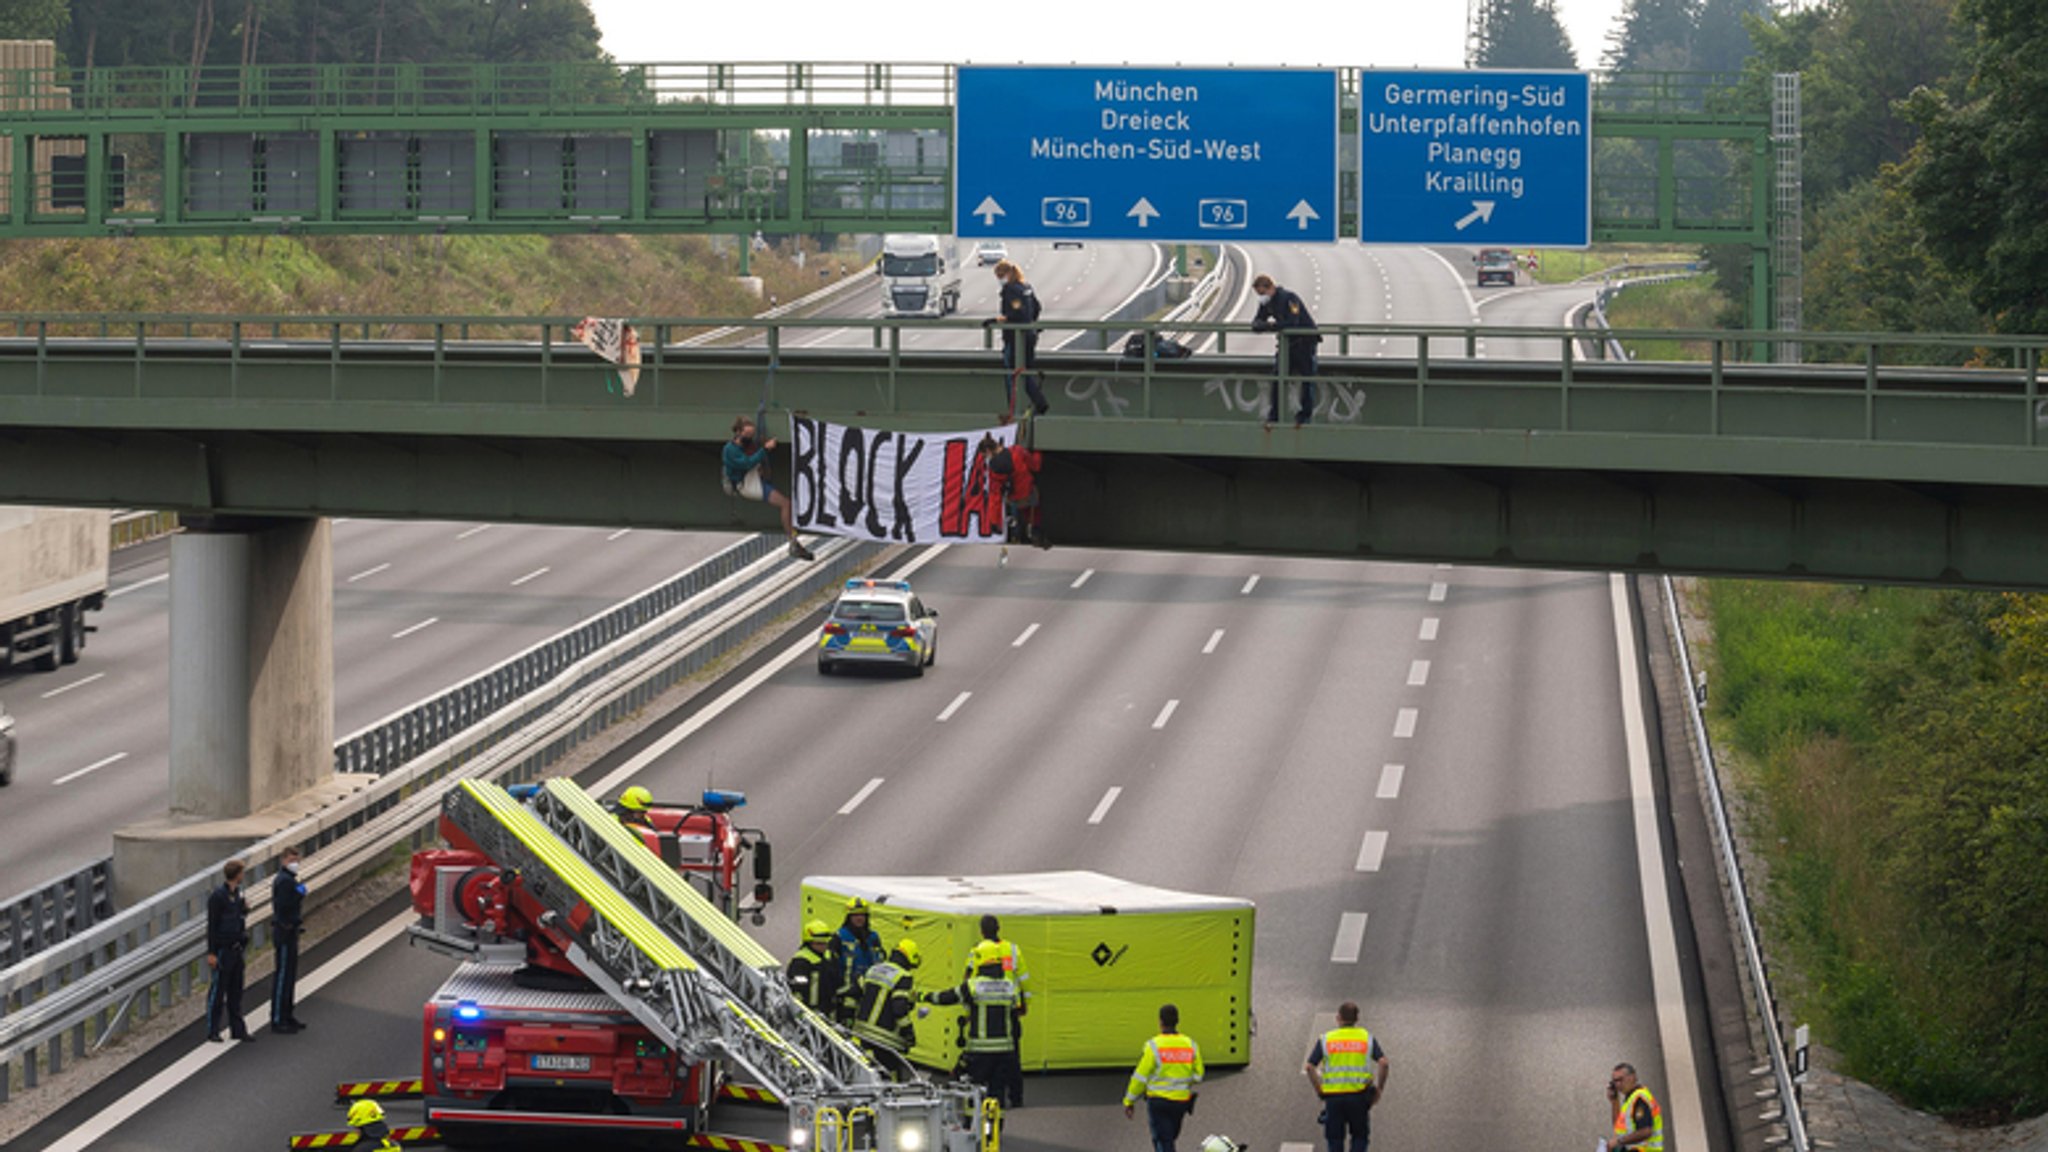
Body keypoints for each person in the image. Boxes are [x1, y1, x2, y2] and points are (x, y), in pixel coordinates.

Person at [921, 949, 1023, 1109]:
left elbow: (947, 997)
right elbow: (1016, 1010)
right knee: (997, 1094)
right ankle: (995, 1130)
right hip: (1005, 1050)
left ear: (981, 964)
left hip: (980, 1051)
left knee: (973, 1090)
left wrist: (923, 996)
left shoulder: (973, 985)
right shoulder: (1010, 986)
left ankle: (973, 1126)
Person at [723, 415, 815, 561]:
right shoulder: (730, 450)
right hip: (747, 485)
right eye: (748, 435)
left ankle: (794, 541)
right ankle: (793, 541)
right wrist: (765, 449)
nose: (750, 438)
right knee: (786, 504)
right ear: (739, 432)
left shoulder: (744, 446)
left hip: (753, 479)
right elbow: (746, 463)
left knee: (787, 504)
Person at [964, 914, 1031, 1106]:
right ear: (999, 928)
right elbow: (1024, 978)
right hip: (1009, 1006)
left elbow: (967, 977)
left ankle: (981, 1099)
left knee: (981, 1058)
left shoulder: (976, 950)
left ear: (981, 931)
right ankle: (1015, 1098)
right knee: (1012, 1057)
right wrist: (1024, 1004)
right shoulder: (1012, 949)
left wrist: (969, 1010)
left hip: (983, 1007)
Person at [1306, 1001, 1388, 1152]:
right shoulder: (1366, 1037)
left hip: (1333, 1098)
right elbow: (1383, 1063)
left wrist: (1319, 1089)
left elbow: (1310, 1067)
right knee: (1359, 1136)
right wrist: (1379, 1089)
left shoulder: (1327, 1039)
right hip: (1359, 1096)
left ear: (1338, 1018)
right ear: (1357, 1019)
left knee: (1335, 1139)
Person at [1123, 1003, 1204, 1152]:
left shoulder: (1153, 1046)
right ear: (1177, 1021)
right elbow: (1198, 1075)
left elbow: (1140, 1077)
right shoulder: (1190, 1045)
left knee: (1163, 1141)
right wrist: (1183, 1080)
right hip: (1180, 1102)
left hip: (1158, 1102)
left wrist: (1129, 1100)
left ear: (1160, 1021)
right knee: (1169, 1138)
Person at [1250, 273, 1321, 427]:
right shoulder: (1267, 303)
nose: (1261, 297)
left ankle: (1304, 415)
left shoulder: (1289, 298)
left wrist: (1270, 326)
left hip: (1305, 342)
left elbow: (1292, 322)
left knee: (1307, 379)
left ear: (1270, 288)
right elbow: (1258, 319)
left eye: (1262, 293)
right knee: (1278, 377)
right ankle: (1274, 414)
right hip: (1288, 344)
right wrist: (1258, 324)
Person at [985, 260, 1050, 419]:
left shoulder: (1010, 289)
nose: (999, 279)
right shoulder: (1026, 287)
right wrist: (1030, 323)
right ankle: (1038, 400)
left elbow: (1016, 313)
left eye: (1000, 276)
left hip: (1015, 338)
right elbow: (1037, 307)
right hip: (1030, 336)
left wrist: (997, 320)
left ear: (1007, 274)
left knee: (1013, 373)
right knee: (1025, 370)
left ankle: (1018, 408)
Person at [204, 859, 254, 1042]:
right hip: (223, 950)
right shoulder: (218, 897)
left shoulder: (237, 895)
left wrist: (244, 910)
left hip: (237, 948)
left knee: (236, 991)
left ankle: (238, 1029)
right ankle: (213, 1030)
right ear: (237, 874)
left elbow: (238, 918)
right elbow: (212, 926)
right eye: (242, 872)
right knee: (218, 992)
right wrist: (212, 952)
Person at [849, 938, 923, 1061]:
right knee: (888, 1077)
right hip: (885, 1039)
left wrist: (849, 1020)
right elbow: (899, 1009)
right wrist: (909, 1033)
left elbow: (853, 994)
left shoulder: (874, 969)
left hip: (861, 1032)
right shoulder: (904, 976)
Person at [977, 435, 1047, 550]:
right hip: (1029, 494)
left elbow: (995, 496)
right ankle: (1035, 528)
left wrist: (994, 522)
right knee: (1034, 507)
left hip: (1014, 499)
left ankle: (1017, 532)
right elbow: (1036, 465)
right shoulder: (1017, 451)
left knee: (1015, 507)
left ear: (988, 451)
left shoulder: (994, 469)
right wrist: (1038, 450)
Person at [269, 849, 309, 1035]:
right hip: (284, 933)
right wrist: (299, 893)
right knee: (283, 976)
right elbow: (285, 905)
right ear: (284, 860)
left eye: (297, 859)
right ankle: (278, 1018)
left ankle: (288, 1014)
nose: (295, 862)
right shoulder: (284, 881)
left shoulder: (290, 879)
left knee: (290, 976)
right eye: (292, 859)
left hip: (291, 931)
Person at [833, 897, 886, 1023]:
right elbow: (830, 966)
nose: (859, 918)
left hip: (867, 994)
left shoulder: (873, 938)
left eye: (862, 914)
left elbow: (881, 962)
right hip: (845, 994)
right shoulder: (839, 937)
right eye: (855, 915)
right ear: (849, 917)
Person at [787, 920, 843, 1018]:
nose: (823, 946)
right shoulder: (801, 961)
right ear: (809, 943)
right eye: (819, 943)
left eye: (825, 943)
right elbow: (796, 990)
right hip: (810, 1014)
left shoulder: (829, 957)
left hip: (828, 1012)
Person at [1606, 1062, 1664, 1152]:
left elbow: (1646, 1131)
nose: (1618, 1085)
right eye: (1615, 1082)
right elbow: (1619, 1128)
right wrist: (1614, 1102)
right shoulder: (1630, 1099)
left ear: (1632, 1077)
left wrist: (1619, 1141)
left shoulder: (1639, 1098)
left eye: (1620, 1080)